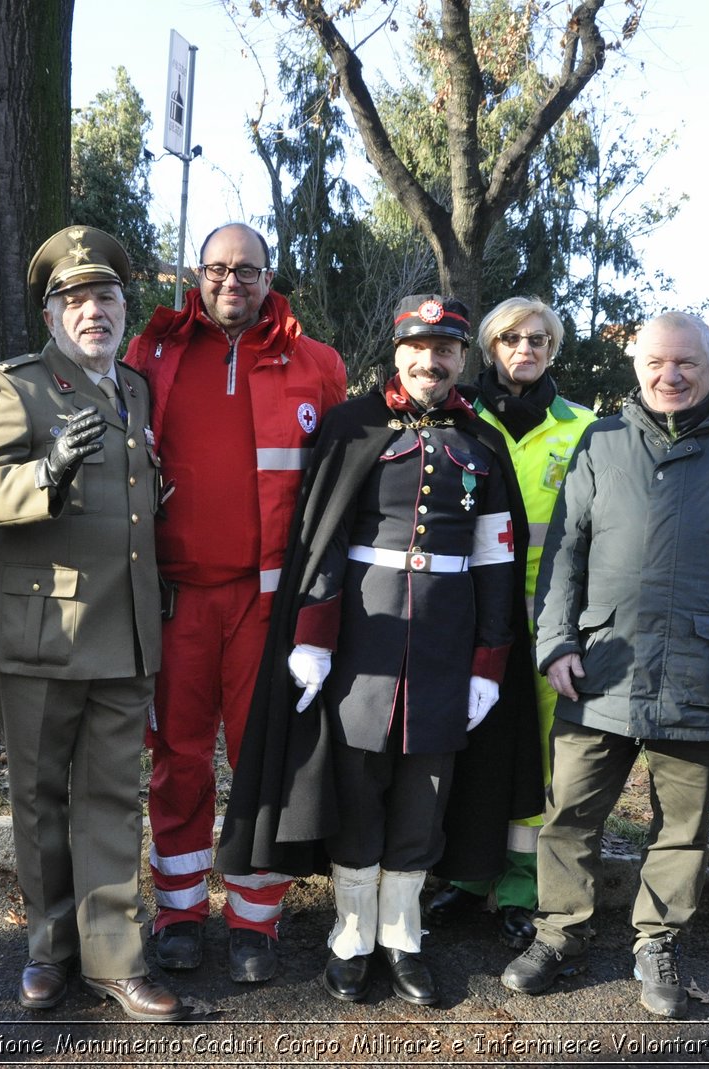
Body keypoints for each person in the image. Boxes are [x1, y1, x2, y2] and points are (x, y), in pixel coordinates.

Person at [218, 294, 529, 1007]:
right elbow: (322, 542)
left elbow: (495, 559)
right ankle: (352, 935)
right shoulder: (351, 425)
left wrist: (489, 662)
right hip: (362, 650)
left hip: (448, 653)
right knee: (358, 789)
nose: (432, 361)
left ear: (461, 358)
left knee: (426, 795)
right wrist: (313, 641)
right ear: (397, 352)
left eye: (446, 350)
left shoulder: (482, 440)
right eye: (419, 348)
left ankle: (404, 936)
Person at [502, 310, 709, 1018]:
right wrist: (555, 644)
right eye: (655, 364)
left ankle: (658, 940)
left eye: (685, 364)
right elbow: (564, 558)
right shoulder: (601, 441)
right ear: (636, 368)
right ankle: (559, 930)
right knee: (569, 812)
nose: (670, 376)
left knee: (680, 828)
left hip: (704, 674)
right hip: (602, 667)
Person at [0, 225, 189, 1023]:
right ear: (52, 316)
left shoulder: (135, 388)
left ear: (125, 309)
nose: (95, 313)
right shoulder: (14, 387)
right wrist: (45, 471)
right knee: (41, 801)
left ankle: (116, 956)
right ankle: (50, 949)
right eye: (77, 300)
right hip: (44, 636)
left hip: (123, 636)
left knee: (114, 801)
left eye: (107, 298)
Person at [123, 223, 347, 981]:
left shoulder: (316, 364)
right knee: (177, 758)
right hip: (177, 599)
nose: (231, 282)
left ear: (269, 274)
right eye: (217, 268)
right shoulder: (151, 354)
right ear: (197, 272)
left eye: (246, 270)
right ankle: (179, 911)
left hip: (270, 606)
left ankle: (256, 918)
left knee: (263, 760)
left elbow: (339, 488)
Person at [427, 297, 596, 949]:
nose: (524, 349)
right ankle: (466, 874)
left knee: (543, 755)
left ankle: (524, 884)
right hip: (466, 611)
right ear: (489, 348)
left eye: (538, 339)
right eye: (510, 338)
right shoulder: (459, 417)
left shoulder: (584, 425)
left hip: (553, 619)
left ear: (553, 349)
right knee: (468, 743)